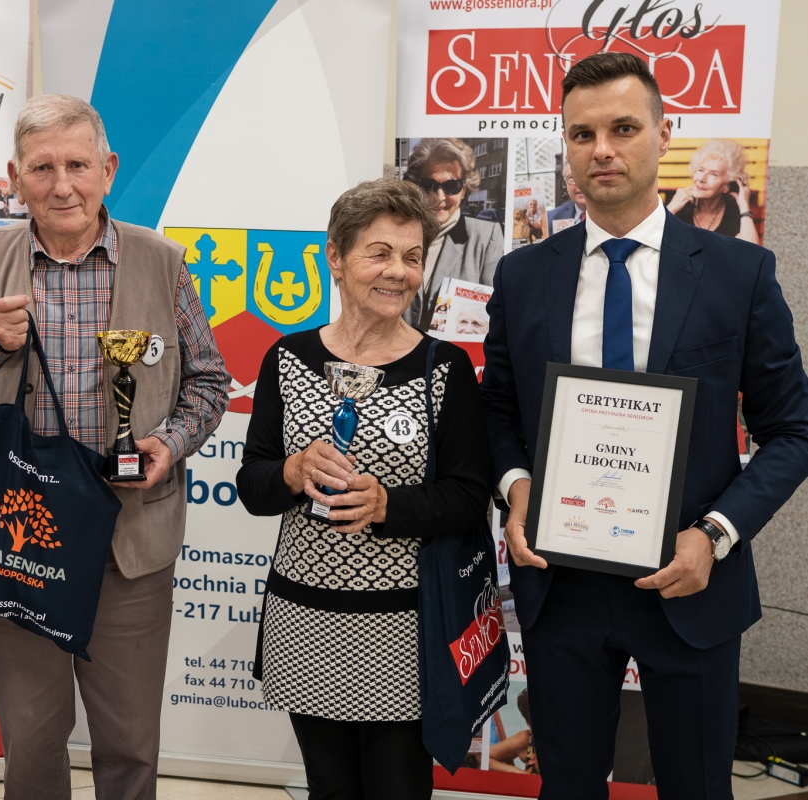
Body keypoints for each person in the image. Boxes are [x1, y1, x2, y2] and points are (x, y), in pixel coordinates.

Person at [481, 52, 808, 798]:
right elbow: (498, 407)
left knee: (697, 786)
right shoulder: (523, 275)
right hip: (560, 583)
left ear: (664, 134)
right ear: (566, 148)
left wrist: (715, 534)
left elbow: (792, 430)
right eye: (582, 134)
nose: (602, 149)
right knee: (567, 785)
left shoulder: (739, 273)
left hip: (691, 580)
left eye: (623, 128)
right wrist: (518, 486)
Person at [0, 94, 230, 799]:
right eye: (42, 168)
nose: (62, 185)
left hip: (130, 538)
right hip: (20, 537)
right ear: (14, 177)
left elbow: (209, 382)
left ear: (107, 169)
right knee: (30, 740)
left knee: (129, 743)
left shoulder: (161, 261)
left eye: (77, 166)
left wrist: (168, 443)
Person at [237, 178, 491, 800]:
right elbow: (253, 485)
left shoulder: (444, 368)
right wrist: (293, 472)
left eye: (411, 256)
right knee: (328, 789)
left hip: (403, 634)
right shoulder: (287, 358)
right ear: (336, 256)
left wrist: (387, 505)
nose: (398, 272)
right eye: (379, 253)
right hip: (305, 623)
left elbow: (468, 497)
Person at [402, 138, 503, 330]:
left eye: (452, 186)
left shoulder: (486, 237)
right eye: (429, 185)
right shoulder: (399, 235)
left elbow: (495, 316)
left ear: (464, 190)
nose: (439, 197)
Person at [666, 138, 759, 243]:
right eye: (701, 170)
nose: (701, 179)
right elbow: (653, 240)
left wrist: (744, 205)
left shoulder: (733, 213)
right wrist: (671, 208)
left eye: (713, 174)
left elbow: (752, 250)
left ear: (726, 186)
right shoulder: (679, 205)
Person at [547, 159, 587, 235]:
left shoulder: (611, 217)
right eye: (572, 177)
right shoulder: (550, 218)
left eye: (585, 176)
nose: (580, 185)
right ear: (565, 183)